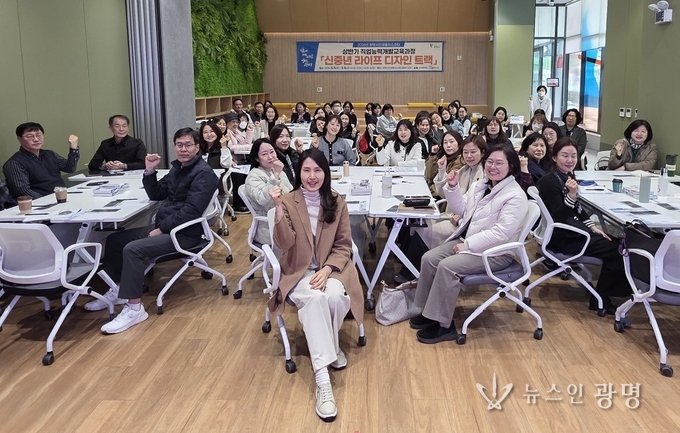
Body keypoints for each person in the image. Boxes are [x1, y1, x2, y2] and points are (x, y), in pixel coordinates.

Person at [85, 127, 219, 333]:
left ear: (197, 147)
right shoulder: (178, 168)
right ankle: (119, 290)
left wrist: (161, 228)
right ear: (174, 147)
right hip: (166, 227)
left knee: (133, 249)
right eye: (179, 145)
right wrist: (149, 171)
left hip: (185, 234)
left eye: (188, 145)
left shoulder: (203, 173)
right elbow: (156, 193)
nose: (183, 149)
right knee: (115, 240)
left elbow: (191, 212)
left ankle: (134, 309)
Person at [268, 148, 364, 421]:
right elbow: (284, 243)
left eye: (317, 170)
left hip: (331, 269)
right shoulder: (288, 200)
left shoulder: (336, 201)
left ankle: (331, 344)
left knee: (335, 296)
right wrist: (278, 208)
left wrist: (327, 269)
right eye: (306, 170)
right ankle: (323, 380)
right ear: (298, 173)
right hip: (298, 272)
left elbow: (344, 245)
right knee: (316, 298)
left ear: (326, 173)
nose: (312, 176)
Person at [409, 144, 529, 343]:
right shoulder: (482, 186)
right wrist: (453, 187)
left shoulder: (515, 196)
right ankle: (427, 312)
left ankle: (444, 326)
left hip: (495, 253)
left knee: (447, 267)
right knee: (429, 258)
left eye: (499, 163)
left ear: (511, 167)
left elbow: (502, 233)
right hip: (471, 243)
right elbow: (460, 209)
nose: (493, 166)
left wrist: (468, 245)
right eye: (490, 161)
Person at [537, 137, 631, 313]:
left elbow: (578, 209)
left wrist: (593, 227)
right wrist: (571, 195)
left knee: (620, 243)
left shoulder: (566, 176)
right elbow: (559, 215)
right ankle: (601, 297)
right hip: (562, 237)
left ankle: (606, 292)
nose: (570, 160)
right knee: (619, 251)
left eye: (573, 156)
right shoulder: (550, 181)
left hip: (571, 231)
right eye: (565, 155)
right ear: (554, 157)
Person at [394, 134, 486, 284]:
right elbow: (444, 192)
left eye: (473, 152)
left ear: (482, 152)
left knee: (423, 231)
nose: (469, 156)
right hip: (453, 214)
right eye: (466, 152)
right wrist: (442, 170)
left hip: (465, 225)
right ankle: (413, 267)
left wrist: (462, 217)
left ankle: (411, 274)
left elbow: (480, 206)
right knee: (416, 224)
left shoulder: (484, 174)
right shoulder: (465, 169)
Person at [4, 122, 79, 200]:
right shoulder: (14, 163)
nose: (36, 139)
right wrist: (46, 200)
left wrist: (73, 149)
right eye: (29, 136)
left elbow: (70, 168)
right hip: (40, 203)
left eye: (38, 135)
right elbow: (23, 191)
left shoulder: (50, 154)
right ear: (19, 139)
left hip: (61, 197)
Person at [243, 139, 293, 245]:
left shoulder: (277, 171)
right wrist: (275, 176)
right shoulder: (253, 176)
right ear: (257, 158)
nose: (270, 157)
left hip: (286, 219)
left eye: (272, 152)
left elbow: (291, 193)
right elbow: (264, 201)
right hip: (269, 226)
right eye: (264, 154)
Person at [425, 131, 464, 197]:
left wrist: (430, 190)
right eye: (445, 142)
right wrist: (433, 154)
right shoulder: (443, 157)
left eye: (451, 142)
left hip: (444, 197)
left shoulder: (460, 160)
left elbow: (448, 183)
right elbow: (429, 175)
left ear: (459, 143)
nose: (448, 145)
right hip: (437, 193)